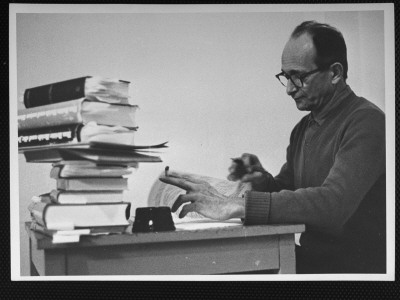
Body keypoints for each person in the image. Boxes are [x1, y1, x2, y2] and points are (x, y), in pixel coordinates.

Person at [159, 21, 386, 274]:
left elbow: (333, 203)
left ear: (334, 73)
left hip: (356, 271)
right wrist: (262, 182)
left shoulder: (367, 122)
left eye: (298, 77)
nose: (289, 89)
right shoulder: (303, 129)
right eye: (286, 77)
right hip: (313, 262)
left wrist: (239, 205)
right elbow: (290, 191)